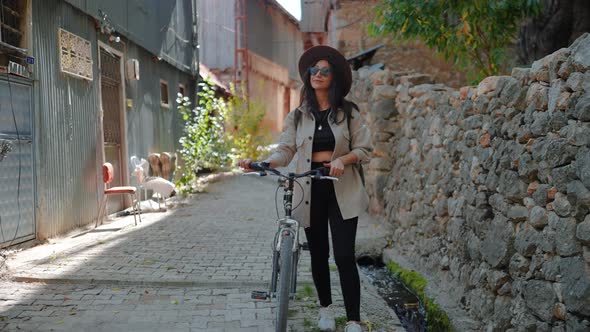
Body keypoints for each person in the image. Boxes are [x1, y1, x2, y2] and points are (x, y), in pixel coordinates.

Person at [239, 45, 371, 332]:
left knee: (345, 255)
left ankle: (353, 319)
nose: (318, 74)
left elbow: (364, 148)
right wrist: (263, 163)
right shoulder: (298, 115)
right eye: (314, 70)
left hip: (342, 186)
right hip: (309, 187)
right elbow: (285, 149)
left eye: (324, 70)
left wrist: (342, 160)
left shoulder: (348, 113)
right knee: (319, 253)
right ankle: (325, 309)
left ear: (333, 77)